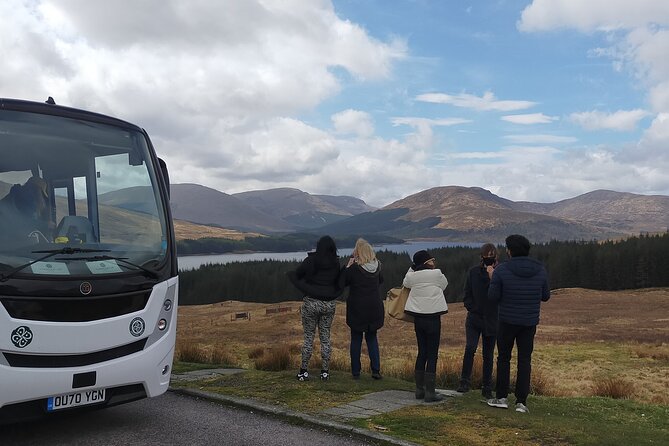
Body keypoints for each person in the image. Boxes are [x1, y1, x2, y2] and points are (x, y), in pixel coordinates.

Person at [487, 234, 550, 414]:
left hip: (506, 320)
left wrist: (492, 278)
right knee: (525, 360)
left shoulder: (501, 270)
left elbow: (493, 297)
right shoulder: (540, 269)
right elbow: (545, 296)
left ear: (510, 251)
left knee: (504, 358)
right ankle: (521, 402)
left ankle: (501, 398)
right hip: (529, 322)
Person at [287, 235, 343, 382]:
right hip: (329, 304)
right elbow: (338, 281)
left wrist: (305, 284)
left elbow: (298, 274)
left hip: (311, 303)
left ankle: (303, 371)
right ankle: (325, 372)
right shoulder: (335, 263)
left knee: (308, 338)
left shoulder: (310, 261)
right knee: (325, 338)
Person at [403, 250, 448, 403]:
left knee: (422, 352)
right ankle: (430, 392)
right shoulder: (436, 274)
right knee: (432, 354)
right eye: (431, 260)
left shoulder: (412, 276)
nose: (434, 262)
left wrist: (412, 267)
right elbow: (444, 285)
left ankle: (419, 390)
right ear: (426, 263)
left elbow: (405, 283)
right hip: (433, 317)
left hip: (418, 318)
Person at [456, 243, 499, 399]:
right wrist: (472, 308)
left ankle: (487, 387)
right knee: (470, 348)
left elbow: (501, 294)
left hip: (492, 318)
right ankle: (464, 382)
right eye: (486, 258)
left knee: (488, 354)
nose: (489, 261)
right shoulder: (473, 272)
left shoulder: (500, 272)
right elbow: (467, 293)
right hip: (475, 318)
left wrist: (492, 276)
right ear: (481, 257)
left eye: (491, 258)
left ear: (496, 258)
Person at [340, 238, 384, 380]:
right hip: (375, 307)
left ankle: (356, 372)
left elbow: (343, 282)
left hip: (357, 308)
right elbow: (381, 281)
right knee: (372, 338)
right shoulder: (378, 267)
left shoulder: (353, 269)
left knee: (356, 339)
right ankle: (376, 370)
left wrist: (348, 266)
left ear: (358, 253)